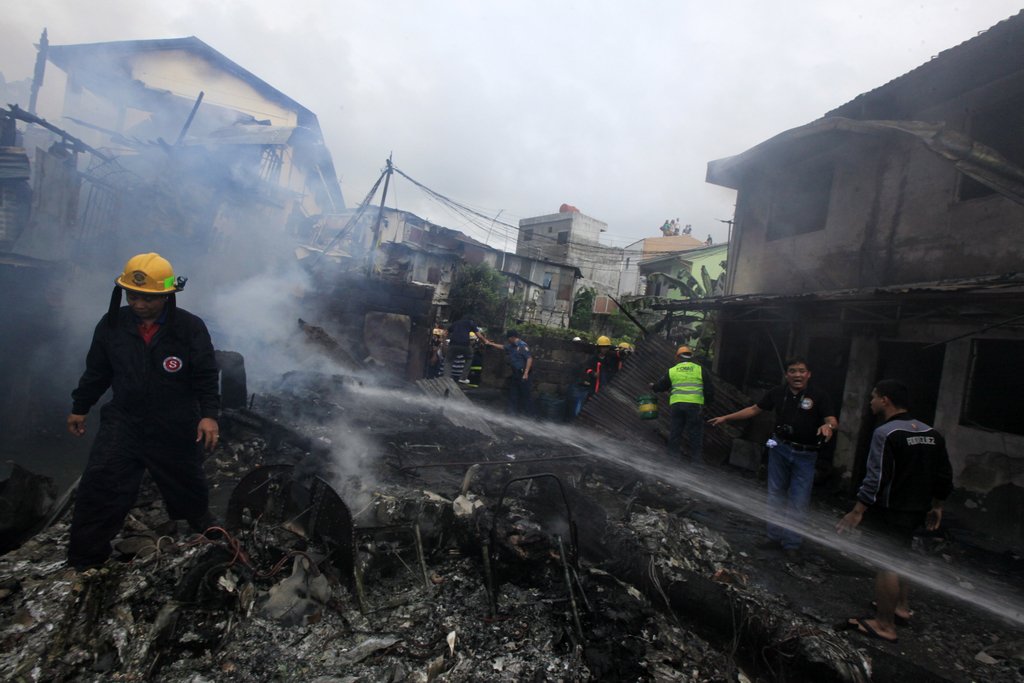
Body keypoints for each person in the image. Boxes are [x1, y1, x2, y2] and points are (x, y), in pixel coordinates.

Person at [66, 253, 221, 570]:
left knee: (188, 486)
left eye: (148, 298)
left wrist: (208, 415)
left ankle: (207, 533)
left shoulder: (189, 328)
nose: (138, 304)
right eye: (132, 296)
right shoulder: (112, 324)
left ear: (166, 295)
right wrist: (80, 407)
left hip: (175, 423)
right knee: (101, 486)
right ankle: (84, 560)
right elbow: (97, 371)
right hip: (124, 421)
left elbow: (205, 375)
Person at [836, 379, 952, 643]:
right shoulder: (932, 433)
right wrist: (937, 505)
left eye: (873, 397)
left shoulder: (886, 433)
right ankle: (901, 607)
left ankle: (884, 624)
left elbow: (877, 477)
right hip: (917, 509)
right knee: (901, 556)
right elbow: (944, 475)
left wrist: (858, 510)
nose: (871, 402)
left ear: (885, 400)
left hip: (891, 509)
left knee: (886, 562)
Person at [708, 357, 837, 555]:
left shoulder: (819, 396)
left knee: (799, 500)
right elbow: (754, 409)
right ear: (786, 375)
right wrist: (726, 417)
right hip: (780, 449)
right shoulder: (777, 393)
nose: (797, 375)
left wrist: (828, 427)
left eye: (801, 371)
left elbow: (832, 420)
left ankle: (792, 544)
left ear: (808, 374)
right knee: (775, 494)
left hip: (806, 454)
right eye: (792, 371)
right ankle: (773, 536)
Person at [650, 345, 715, 461]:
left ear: (678, 357)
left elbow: (661, 386)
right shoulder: (700, 369)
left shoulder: (672, 370)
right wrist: (708, 405)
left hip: (677, 405)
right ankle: (696, 462)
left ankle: (672, 459)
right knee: (695, 433)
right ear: (691, 357)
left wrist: (653, 387)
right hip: (695, 405)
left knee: (675, 431)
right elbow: (709, 389)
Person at [490, 329, 533, 416]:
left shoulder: (522, 346)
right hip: (515, 373)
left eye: (509, 338)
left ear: (513, 337)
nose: (508, 340)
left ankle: (528, 416)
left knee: (525, 395)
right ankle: (511, 414)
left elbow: (529, 359)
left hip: (523, 374)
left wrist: (526, 373)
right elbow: (503, 347)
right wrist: (491, 344)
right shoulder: (511, 346)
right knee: (513, 394)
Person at [446, 314, 492, 384]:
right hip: (464, 344)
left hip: (453, 344)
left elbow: (445, 332)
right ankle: (463, 378)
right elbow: (479, 335)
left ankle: (446, 378)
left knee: (448, 360)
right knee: (469, 357)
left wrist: (444, 341)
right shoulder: (471, 323)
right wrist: (486, 341)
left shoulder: (456, 323)